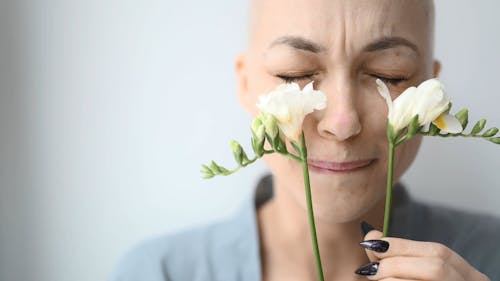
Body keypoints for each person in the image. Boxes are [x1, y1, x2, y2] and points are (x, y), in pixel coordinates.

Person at [110, 0, 500, 280]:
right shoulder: (157, 272)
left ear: (431, 90)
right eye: (294, 73)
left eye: (390, 73)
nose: (343, 122)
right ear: (246, 85)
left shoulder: (490, 257)